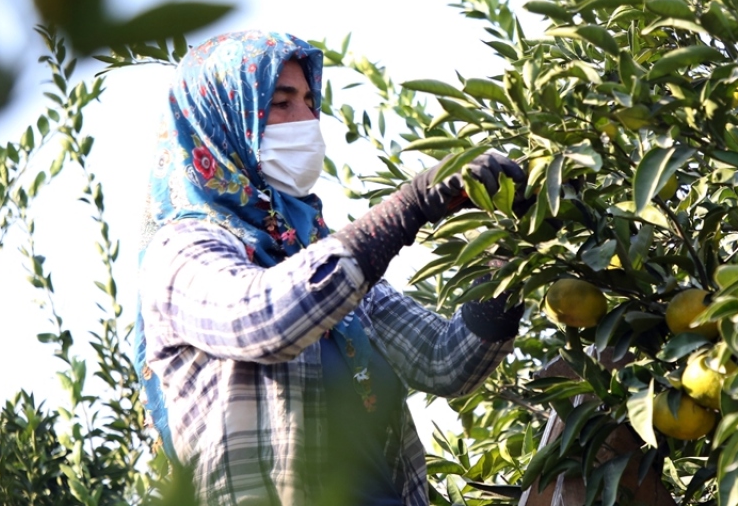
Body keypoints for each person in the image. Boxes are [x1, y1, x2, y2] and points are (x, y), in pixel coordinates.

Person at [133, 31, 526, 506]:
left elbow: (445, 360)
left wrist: (511, 251)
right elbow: (266, 318)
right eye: (281, 103)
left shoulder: (316, 252)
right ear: (225, 120)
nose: (305, 120)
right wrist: (408, 208)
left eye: (309, 101)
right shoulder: (181, 251)